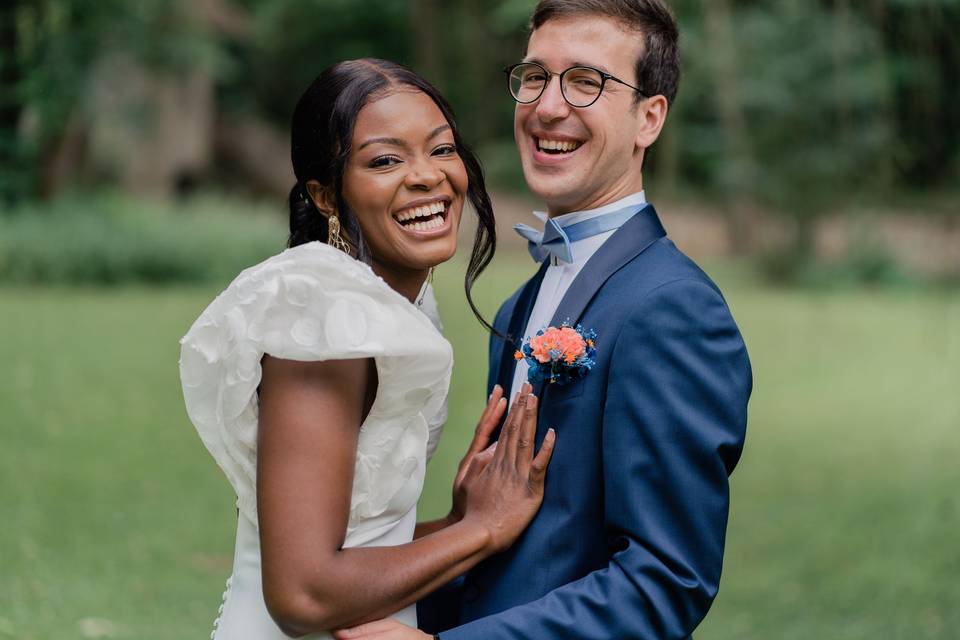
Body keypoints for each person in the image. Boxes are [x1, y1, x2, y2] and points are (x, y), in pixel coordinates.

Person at [334, 2, 752, 639]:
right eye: (534, 77)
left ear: (649, 117)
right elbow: (512, 553)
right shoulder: (519, 306)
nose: (548, 106)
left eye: (587, 82)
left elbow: (666, 580)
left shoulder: (673, 309)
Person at [179, 58, 556, 640]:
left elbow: (355, 544)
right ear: (326, 196)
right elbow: (303, 592)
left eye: (442, 149)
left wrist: (456, 522)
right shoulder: (327, 322)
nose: (428, 176)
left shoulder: (387, 306)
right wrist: (482, 530)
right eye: (385, 160)